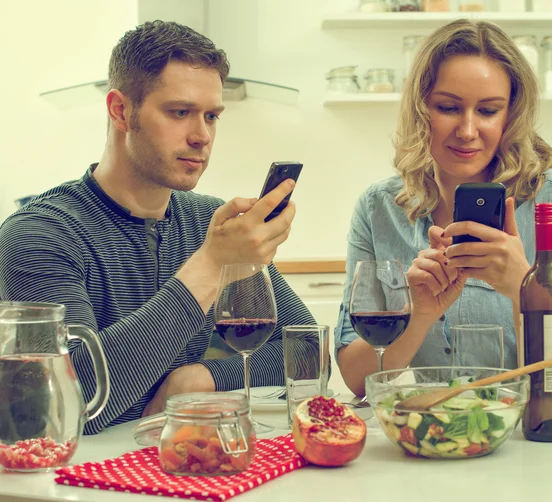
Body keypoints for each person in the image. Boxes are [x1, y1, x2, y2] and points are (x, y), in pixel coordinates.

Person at [0, 21, 317, 434]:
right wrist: (211, 265)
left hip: (186, 461)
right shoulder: (39, 234)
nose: (202, 136)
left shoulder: (207, 221)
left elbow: (307, 350)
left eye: (212, 116)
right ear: (120, 110)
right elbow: (70, 403)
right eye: (180, 112)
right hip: (79, 484)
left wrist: (199, 378)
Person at [335, 19, 552, 399]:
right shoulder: (379, 209)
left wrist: (525, 288)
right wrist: (418, 313)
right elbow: (356, 379)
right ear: (420, 108)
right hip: (439, 431)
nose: (468, 130)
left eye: (488, 110)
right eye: (448, 107)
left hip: (539, 433)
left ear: (511, 115)